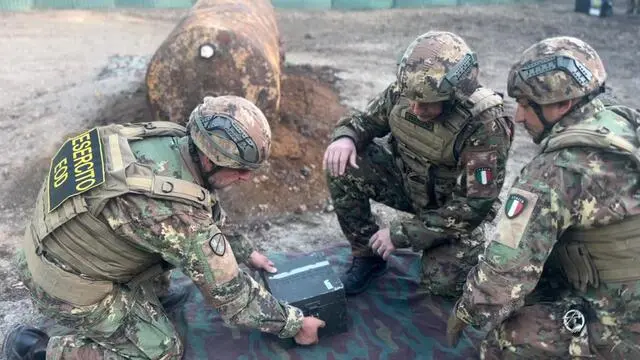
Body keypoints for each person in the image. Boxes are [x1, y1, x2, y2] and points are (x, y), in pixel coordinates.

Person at [2, 95, 325, 360]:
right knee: (162, 351)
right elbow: (234, 298)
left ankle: (140, 298)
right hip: (63, 285)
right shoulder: (173, 214)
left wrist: (244, 251)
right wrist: (294, 324)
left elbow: (203, 206)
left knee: (172, 261)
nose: (246, 179)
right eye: (240, 170)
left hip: (57, 245)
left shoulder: (170, 139)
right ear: (211, 161)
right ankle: (36, 351)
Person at [446, 36, 640, 359]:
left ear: (561, 104)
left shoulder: (555, 170)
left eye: (525, 104)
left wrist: (466, 312)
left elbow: (502, 277)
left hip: (625, 330)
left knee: (508, 337)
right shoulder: (625, 126)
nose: (519, 117)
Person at [323, 31, 514, 297]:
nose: (414, 108)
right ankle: (367, 256)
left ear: (454, 97)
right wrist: (346, 137)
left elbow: (473, 207)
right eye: (410, 99)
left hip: (450, 211)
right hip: (407, 183)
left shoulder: (485, 126)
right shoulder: (411, 90)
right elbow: (365, 120)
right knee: (342, 163)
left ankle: (458, 256)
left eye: (425, 104)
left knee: (443, 283)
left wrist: (401, 234)